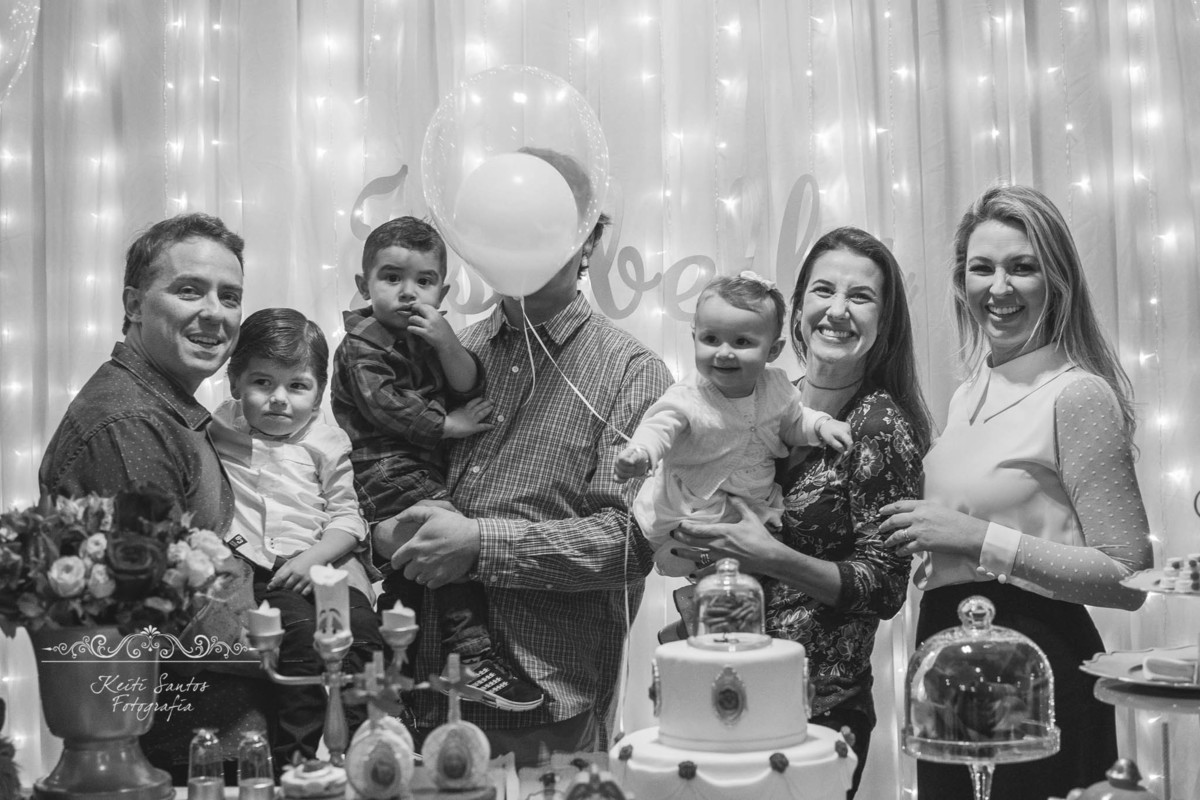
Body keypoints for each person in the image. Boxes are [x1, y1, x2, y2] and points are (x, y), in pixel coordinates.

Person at [383, 154, 673, 766]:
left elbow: (627, 543)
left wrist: (479, 544)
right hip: (421, 693)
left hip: (548, 705)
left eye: (543, 225)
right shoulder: (447, 354)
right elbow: (392, 474)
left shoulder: (631, 371)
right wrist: (383, 532)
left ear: (589, 240)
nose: (521, 241)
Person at [879, 184, 1152, 799]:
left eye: (1022, 267)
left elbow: (1130, 575)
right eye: (982, 268)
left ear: (1057, 280)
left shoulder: (1077, 395)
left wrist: (977, 539)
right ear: (962, 281)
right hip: (948, 662)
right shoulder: (967, 393)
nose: (998, 287)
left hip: (1034, 673)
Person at [672, 227, 933, 799]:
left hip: (815, 708)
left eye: (860, 297)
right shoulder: (767, 401)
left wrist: (771, 556)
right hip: (728, 686)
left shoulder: (879, 427)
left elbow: (886, 586)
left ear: (884, 322)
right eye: (823, 290)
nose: (838, 310)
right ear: (796, 308)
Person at [329, 217, 544, 712]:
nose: (408, 292)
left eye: (423, 281)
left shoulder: (430, 334)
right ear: (363, 285)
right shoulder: (361, 344)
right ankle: (470, 655)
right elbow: (385, 405)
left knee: (410, 577)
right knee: (450, 538)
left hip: (419, 468)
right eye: (391, 278)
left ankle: (392, 680)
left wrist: (448, 342)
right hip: (383, 469)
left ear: (442, 291)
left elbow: (469, 385)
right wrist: (448, 425)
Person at [208, 307, 385, 767]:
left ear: (319, 391)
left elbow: (348, 518)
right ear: (235, 382)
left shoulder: (327, 442)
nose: (279, 399)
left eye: (298, 386)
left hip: (323, 565)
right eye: (262, 382)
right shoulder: (215, 431)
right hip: (265, 573)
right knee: (301, 644)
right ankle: (297, 760)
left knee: (364, 634)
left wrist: (315, 559)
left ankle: (366, 749)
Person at [614, 271, 852, 576]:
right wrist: (642, 452)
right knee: (690, 552)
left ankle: (715, 582)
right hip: (698, 504)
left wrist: (820, 425)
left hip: (751, 498)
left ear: (773, 350)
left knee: (762, 548)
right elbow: (660, 426)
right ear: (694, 337)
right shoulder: (689, 395)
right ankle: (690, 564)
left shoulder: (776, 386)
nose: (724, 352)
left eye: (742, 342)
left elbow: (794, 421)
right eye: (711, 339)